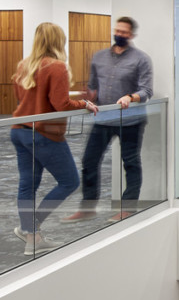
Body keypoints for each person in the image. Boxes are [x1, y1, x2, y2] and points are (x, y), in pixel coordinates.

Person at [9, 22, 97, 253]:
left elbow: (29, 97)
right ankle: (31, 227)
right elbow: (60, 104)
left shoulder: (23, 66)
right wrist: (84, 103)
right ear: (58, 41)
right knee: (70, 181)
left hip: (19, 130)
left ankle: (32, 240)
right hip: (43, 133)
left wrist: (71, 95)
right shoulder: (57, 66)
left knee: (27, 185)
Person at [67, 16, 154, 223]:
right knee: (89, 161)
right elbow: (93, 87)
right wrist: (88, 97)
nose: (120, 35)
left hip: (131, 120)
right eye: (118, 31)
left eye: (124, 32)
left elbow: (147, 90)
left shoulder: (141, 59)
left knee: (131, 163)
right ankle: (88, 208)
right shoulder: (99, 57)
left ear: (131, 35)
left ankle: (128, 208)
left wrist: (130, 97)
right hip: (103, 119)